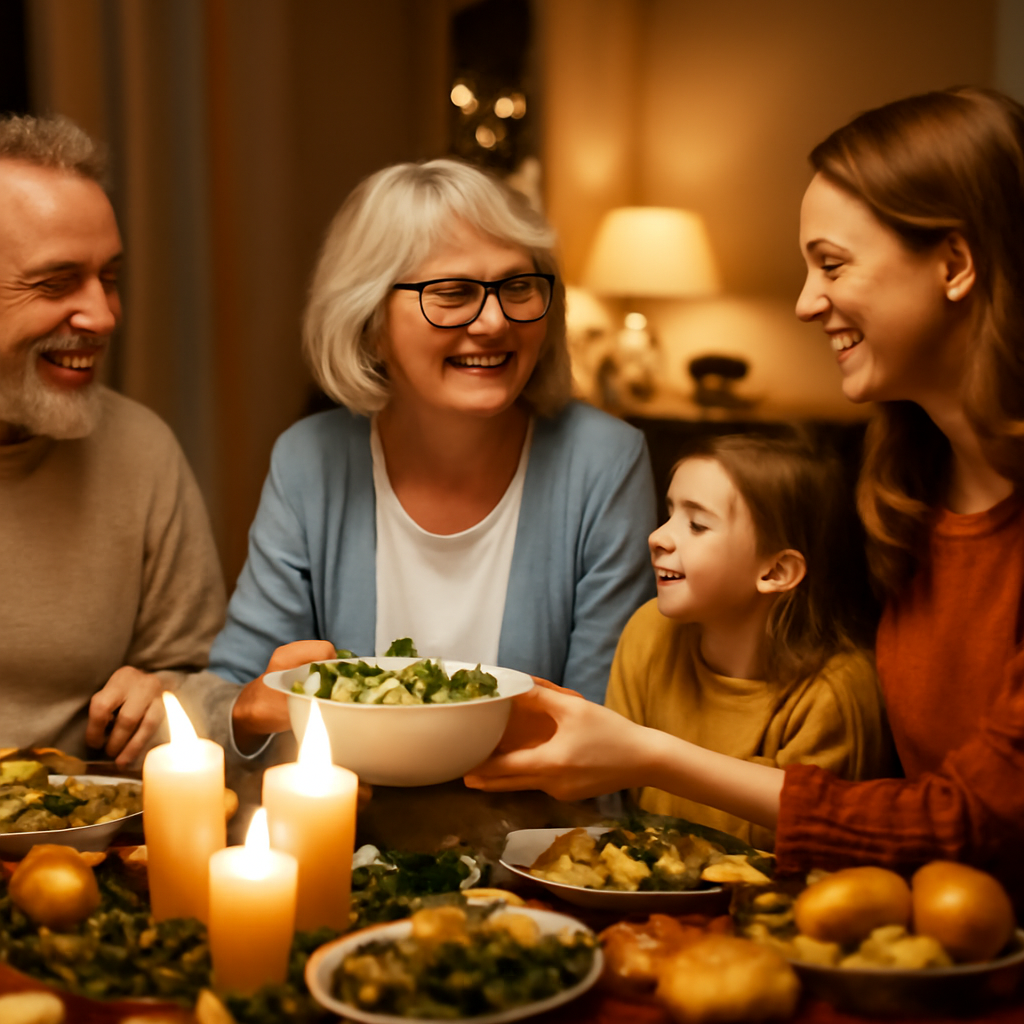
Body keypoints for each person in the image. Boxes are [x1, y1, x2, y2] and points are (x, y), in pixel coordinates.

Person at [466, 87, 1024, 909]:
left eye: (832, 264)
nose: (805, 302)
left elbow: (973, 818)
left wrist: (647, 755)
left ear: (954, 263)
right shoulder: (906, 484)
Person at [212, 158, 657, 753]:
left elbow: (604, 731)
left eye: (518, 287)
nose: (495, 322)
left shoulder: (605, 462)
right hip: (346, 827)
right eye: (452, 293)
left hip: (534, 839)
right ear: (370, 322)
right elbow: (240, 699)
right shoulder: (308, 462)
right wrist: (255, 711)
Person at [0, 114, 227, 765]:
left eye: (111, 277)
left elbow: (201, 680)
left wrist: (164, 692)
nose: (102, 315)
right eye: (55, 281)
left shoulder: (141, 452)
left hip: (90, 849)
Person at [606, 434, 892, 849]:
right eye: (669, 513)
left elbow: (815, 859)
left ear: (776, 571)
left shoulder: (835, 694)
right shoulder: (647, 634)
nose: (657, 536)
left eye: (697, 524)